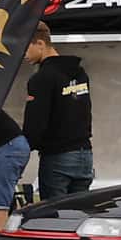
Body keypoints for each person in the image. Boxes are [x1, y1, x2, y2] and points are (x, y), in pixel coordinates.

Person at [25, 28, 96, 203]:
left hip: (57, 156)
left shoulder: (41, 79)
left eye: (25, 47)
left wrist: (23, 147)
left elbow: (35, 124)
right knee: (79, 215)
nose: (22, 54)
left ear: (40, 44)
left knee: (54, 217)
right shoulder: (80, 73)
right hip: (85, 154)